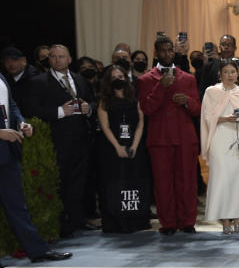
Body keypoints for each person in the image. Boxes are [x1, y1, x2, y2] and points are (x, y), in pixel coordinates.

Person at [23, 44, 97, 238]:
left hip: (82, 139)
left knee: (80, 182)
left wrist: (89, 108)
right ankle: (62, 222)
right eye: (53, 57)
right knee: (61, 182)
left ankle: (78, 219)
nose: (57, 60)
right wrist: (59, 112)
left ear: (69, 59)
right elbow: (31, 109)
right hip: (56, 141)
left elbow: (93, 101)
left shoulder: (80, 79)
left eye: (61, 56)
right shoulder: (39, 82)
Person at [0, 73, 72, 268]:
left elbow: (10, 105)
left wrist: (20, 122)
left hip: (8, 152)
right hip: (4, 142)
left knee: (17, 206)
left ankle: (38, 251)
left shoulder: (1, 77)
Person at [137, 35, 202, 235]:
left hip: (184, 136)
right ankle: (168, 223)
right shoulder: (145, 79)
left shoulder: (188, 78)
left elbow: (198, 108)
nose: (167, 54)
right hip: (160, 139)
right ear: (156, 53)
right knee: (163, 182)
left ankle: (187, 220)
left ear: (174, 52)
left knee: (187, 181)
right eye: (163, 50)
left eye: (170, 50)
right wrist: (160, 87)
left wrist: (186, 102)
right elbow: (146, 108)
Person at [200, 60, 239, 234]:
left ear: (237, 73)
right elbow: (207, 117)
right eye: (226, 72)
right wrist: (226, 118)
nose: (230, 75)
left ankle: (238, 220)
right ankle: (225, 221)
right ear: (220, 73)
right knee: (222, 179)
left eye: (233, 72)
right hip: (219, 138)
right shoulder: (211, 91)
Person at [96, 65, 151, 233]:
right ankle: (116, 222)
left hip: (135, 147)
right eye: (114, 77)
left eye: (120, 76)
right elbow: (105, 126)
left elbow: (141, 122)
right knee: (114, 184)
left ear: (126, 78)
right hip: (112, 149)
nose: (118, 80)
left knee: (136, 182)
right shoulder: (104, 101)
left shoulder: (134, 98)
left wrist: (134, 145)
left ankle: (137, 220)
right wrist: (117, 147)